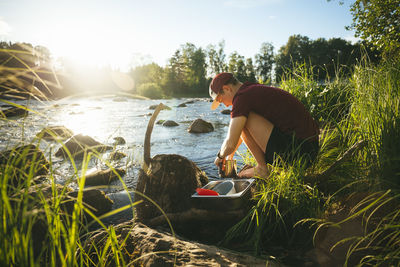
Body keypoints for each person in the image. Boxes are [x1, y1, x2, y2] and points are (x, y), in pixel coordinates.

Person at [210, 72, 319, 178]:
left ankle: (262, 169)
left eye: (220, 99)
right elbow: (236, 135)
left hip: (298, 153)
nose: (224, 104)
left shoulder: (242, 98)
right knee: (241, 120)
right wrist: (230, 156)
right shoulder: (250, 90)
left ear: (227, 89)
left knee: (244, 118)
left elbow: (230, 143)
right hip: (308, 150)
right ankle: (263, 167)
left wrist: (220, 156)